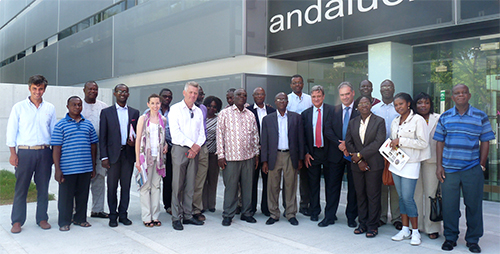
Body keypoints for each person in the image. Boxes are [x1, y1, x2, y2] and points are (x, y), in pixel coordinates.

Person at [434, 84, 494, 253]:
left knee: (474, 205)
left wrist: (481, 165)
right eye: (457, 93)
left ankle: (473, 239)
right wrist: (439, 165)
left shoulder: (480, 116)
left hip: (472, 169)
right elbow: (439, 142)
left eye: (464, 92)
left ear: (469, 95)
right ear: (452, 97)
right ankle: (450, 237)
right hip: (449, 169)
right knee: (450, 206)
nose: (460, 95)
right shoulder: (445, 117)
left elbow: (486, 141)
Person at [7, 75, 57, 234]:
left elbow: (54, 132)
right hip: (25, 153)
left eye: (40, 89)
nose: (38, 92)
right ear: (29, 89)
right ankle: (17, 221)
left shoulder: (50, 108)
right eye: (35, 88)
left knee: (43, 188)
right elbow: (11, 131)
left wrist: (54, 156)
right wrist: (13, 154)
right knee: (21, 188)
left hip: (44, 152)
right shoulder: (19, 107)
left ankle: (42, 218)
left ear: (44, 90)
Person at [389, 92, 430, 246]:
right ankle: (405, 229)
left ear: (408, 104)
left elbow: (423, 143)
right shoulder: (395, 121)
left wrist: (402, 141)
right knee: (401, 198)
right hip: (396, 163)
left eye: (401, 104)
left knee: (408, 198)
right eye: (396, 105)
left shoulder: (418, 120)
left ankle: (415, 231)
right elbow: (393, 141)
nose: (398, 107)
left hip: (411, 163)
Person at [52, 96, 98, 231]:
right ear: (68, 106)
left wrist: (93, 166)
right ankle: (64, 222)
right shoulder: (60, 125)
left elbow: (93, 145)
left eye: (79, 105)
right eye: (74, 105)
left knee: (83, 196)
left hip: (85, 168)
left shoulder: (88, 124)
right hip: (67, 169)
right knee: (66, 198)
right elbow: (56, 148)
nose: (77, 107)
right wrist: (57, 169)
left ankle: (80, 219)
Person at [217, 88, 260, 226]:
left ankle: (246, 213)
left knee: (248, 187)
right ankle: (228, 214)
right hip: (230, 158)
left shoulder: (250, 115)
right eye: (239, 95)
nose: (242, 97)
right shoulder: (224, 114)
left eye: (244, 95)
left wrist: (256, 154)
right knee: (231, 187)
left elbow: (255, 136)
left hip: (248, 157)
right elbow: (220, 135)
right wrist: (220, 155)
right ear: (233, 98)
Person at [345, 96, 386, 238]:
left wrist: (360, 155)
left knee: (373, 196)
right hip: (357, 165)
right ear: (357, 107)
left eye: (366, 103)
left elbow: (378, 142)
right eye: (361, 103)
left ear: (371, 105)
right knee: (360, 195)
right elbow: (348, 142)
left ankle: (372, 225)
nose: (364, 106)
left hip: (374, 164)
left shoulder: (379, 121)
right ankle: (362, 223)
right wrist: (358, 160)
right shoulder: (352, 122)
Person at [99, 84, 140, 227]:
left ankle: (123, 214)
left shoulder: (135, 113)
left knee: (126, 187)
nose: (123, 93)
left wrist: (133, 144)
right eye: (120, 91)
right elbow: (102, 137)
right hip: (112, 156)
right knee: (111, 187)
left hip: (128, 154)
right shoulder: (106, 112)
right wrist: (104, 157)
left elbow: (137, 134)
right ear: (115, 94)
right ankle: (112, 215)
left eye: (125, 92)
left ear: (128, 94)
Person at [261, 92, 304, 226]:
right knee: (272, 187)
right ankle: (274, 214)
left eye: (284, 99)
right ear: (275, 102)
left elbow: (300, 139)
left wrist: (300, 158)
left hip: (290, 156)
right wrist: (264, 161)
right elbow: (264, 141)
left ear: (287, 102)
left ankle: (291, 213)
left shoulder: (296, 118)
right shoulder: (268, 119)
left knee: (290, 186)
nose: (281, 101)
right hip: (274, 156)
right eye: (279, 99)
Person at [168, 81, 206, 230]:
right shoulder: (175, 109)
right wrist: (192, 145)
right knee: (177, 185)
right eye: (190, 92)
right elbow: (175, 133)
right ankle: (176, 217)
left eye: (195, 93)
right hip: (179, 150)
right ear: (184, 93)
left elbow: (202, 133)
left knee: (191, 185)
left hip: (194, 152)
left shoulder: (198, 111)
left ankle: (188, 215)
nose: (193, 95)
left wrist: (196, 148)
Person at [324, 82, 358, 228]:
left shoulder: (359, 111)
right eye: (342, 95)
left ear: (353, 93)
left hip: (354, 155)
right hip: (335, 154)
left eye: (347, 94)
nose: (345, 97)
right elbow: (327, 129)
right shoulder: (334, 110)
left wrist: (348, 145)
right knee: (332, 187)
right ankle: (329, 216)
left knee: (353, 187)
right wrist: (340, 144)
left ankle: (351, 217)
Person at [371, 79, 402, 230]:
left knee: (395, 185)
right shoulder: (375, 108)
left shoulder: (399, 107)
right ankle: (382, 216)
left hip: (397, 151)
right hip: (380, 151)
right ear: (380, 89)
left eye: (389, 86)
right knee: (381, 185)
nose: (386, 88)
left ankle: (396, 217)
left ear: (393, 88)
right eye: (383, 86)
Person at [135, 94, 168, 227]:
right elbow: (138, 140)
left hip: (158, 157)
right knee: (145, 187)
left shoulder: (163, 120)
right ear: (148, 104)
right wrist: (137, 160)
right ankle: (146, 216)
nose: (155, 106)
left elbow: (163, 138)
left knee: (156, 186)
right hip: (145, 158)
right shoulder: (143, 119)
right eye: (153, 103)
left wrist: (165, 145)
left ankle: (155, 216)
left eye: (157, 103)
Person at [301, 85, 333, 223]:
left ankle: (330, 213)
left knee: (330, 185)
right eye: (313, 96)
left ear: (323, 96)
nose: (316, 99)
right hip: (313, 153)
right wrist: (306, 153)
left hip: (329, 153)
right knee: (313, 185)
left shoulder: (332, 111)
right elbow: (303, 136)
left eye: (319, 96)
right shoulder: (305, 114)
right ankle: (315, 210)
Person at [413, 92, 441, 240]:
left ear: (430, 104)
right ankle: (416, 226)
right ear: (415, 104)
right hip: (415, 161)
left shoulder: (438, 118)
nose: (423, 105)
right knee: (416, 195)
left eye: (426, 102)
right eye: (419, 102)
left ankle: (432, 227)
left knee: (432, 195)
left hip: (432, 161)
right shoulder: (411, 119)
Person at [81, 81, 109, 219]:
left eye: (95, 89)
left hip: (99, 147)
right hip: (82, 148)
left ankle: (97, 210)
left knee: (99, 177)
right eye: (90, 89)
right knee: (81, 179)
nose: (93, 91)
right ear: (84, 90)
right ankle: (77, 210)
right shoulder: (78, 105)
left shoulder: (103, 107)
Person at [287, 74, 313, 216]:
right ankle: (289, 205)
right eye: (294, 83)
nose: (297, 85)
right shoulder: (287, 99)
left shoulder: (309, 99)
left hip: (306, 140)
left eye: (299, 83)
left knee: (305, 176)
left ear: (303, 84)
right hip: (291, 140)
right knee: (290, 176)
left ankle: (304, 204)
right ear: (291, 85)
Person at [247, 87, 275, 217]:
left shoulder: (271, 110)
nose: (259, 96)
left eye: (262, 94)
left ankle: (266, 207)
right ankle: (251, 208)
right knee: (251, 181)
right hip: (253, 151)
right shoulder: (248, 111)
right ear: (253, 96)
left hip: (268, 150)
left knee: (268, 181)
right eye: (257, 94)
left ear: (265, 95)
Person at [201, 96, 223, 213]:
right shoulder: (201, 118)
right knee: (202, 180)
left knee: (213, 180)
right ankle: (203, 205)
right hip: (202, 153)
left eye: (214, 107)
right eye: (209, 105)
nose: (211, 108)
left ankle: (211, 204)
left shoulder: (219, 119)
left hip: (214, 153)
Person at [193, 85, 209, 221]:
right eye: (199, 94)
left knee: (200, 181)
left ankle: (196, 209)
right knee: (186, 181)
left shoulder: (203, 108)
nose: (201, 97)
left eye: (203, 94)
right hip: (189, 148)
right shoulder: (182, 108)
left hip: (203, 148)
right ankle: (184, 208)